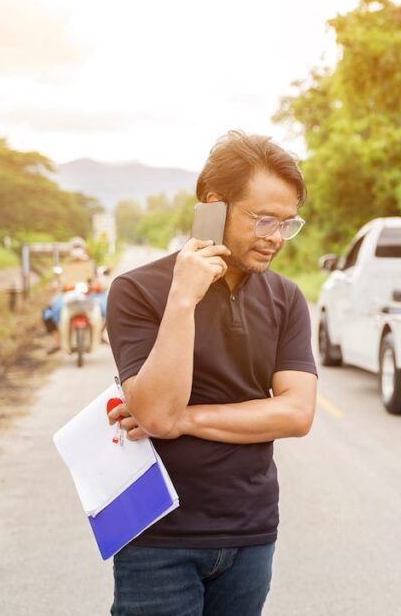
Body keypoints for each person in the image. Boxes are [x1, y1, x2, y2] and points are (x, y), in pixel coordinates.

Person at [105, 131, 318, 616]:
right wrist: (183, 297)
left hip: (252, 533)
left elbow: (296, 413)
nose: (275, 237)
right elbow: (156, 414)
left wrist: (188, 420)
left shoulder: (286, 298)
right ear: (213, 204)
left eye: (288, 223)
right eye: (263, 219)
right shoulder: (137, 291)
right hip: (157, 536)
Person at [43, 237, 98, 353]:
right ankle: (59, 341)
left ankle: (100, 334)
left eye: (79, 247)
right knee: (50, 311)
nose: (77, 250)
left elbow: (94, 280)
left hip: (87, 293)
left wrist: (93, 286)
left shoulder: (89, 264)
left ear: (83, 249)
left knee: (106, 307)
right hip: (67, 294)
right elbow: (60, 281)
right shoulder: (66, 265)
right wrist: (59, 286)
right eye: (75, 247)